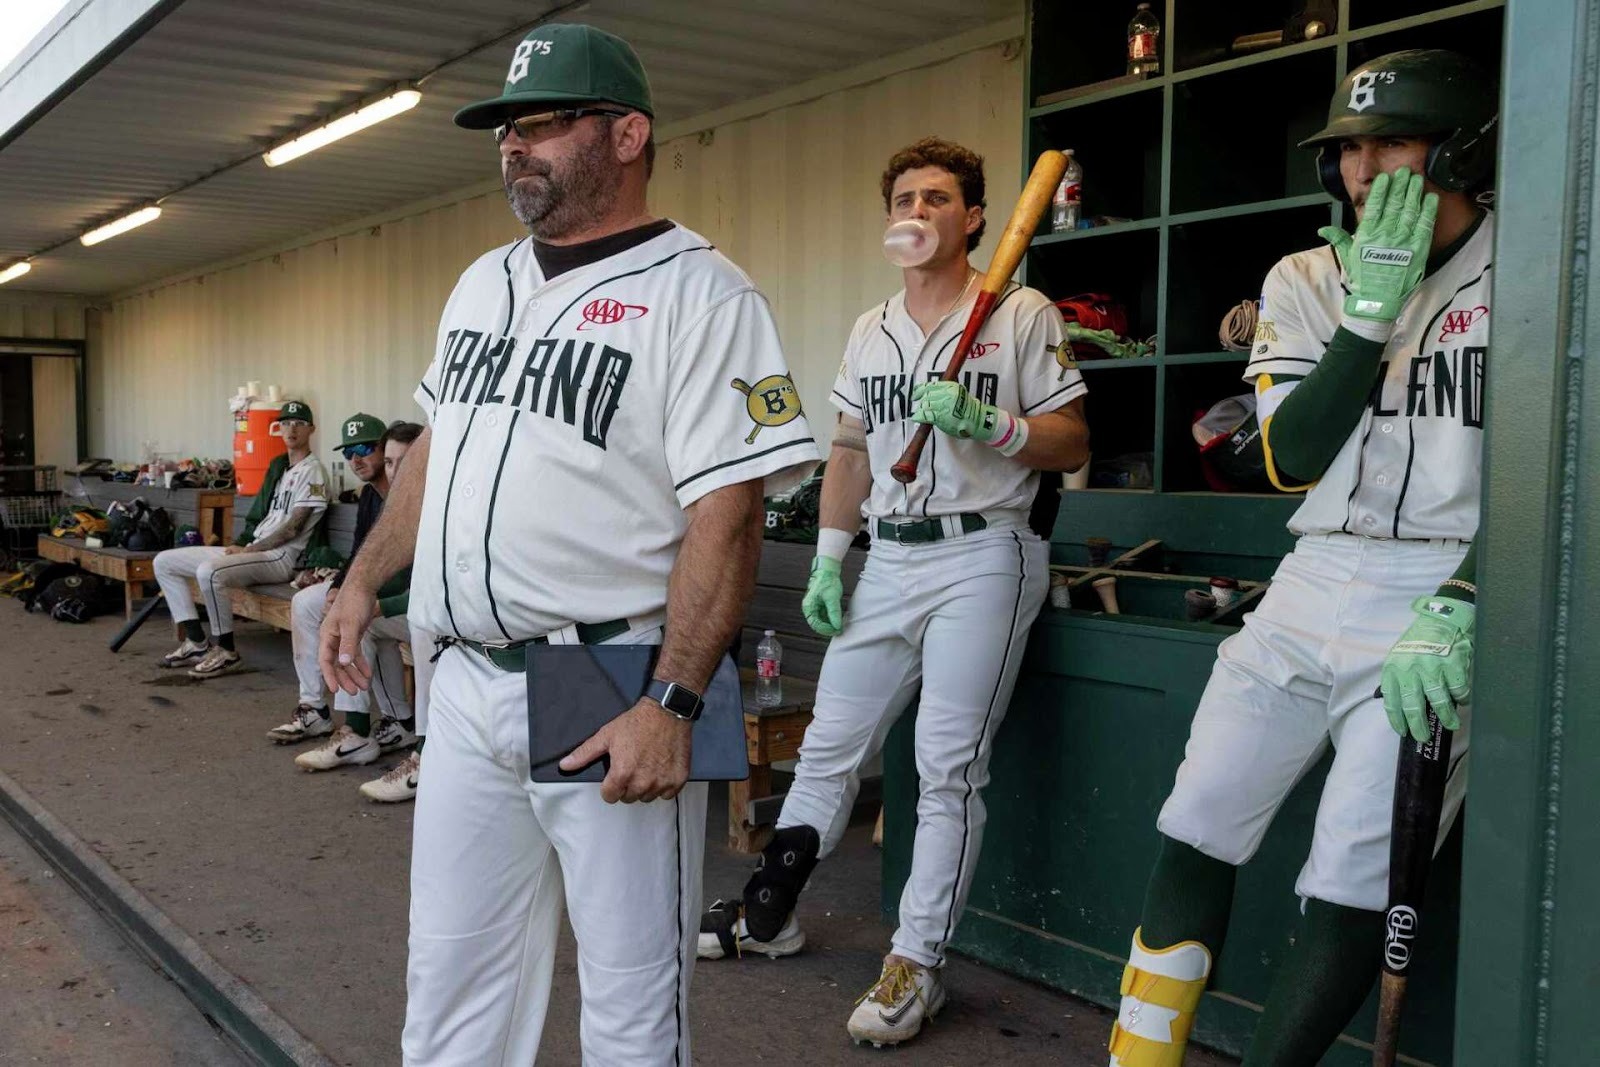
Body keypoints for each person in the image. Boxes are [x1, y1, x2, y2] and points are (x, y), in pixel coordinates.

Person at [318, 24, 819, 1065]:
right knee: (451, 972)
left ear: (627, 132)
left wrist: (674, 700)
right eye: (506, 129)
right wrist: (364, 578)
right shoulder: (482, 280)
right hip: (464, 673)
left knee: (633, 1000)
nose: (515, 147)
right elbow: (432, 454)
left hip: (612, 667)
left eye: (543, 124)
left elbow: (729, 512)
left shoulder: (703, 291)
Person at [1107, 49, 1494, 1067]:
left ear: (1461, 148)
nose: (1364, 168)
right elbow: (1285, 456)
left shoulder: (1532, 268)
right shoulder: (1306, 276)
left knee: (1354, 875)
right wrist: (1364, 318)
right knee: (1196, 819)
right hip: (1312, 571)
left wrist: (1473, 592)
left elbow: (1568, 469)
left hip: (1443, 585)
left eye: (1394, 141)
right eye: (1350, 148)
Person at [698, 136, 1090, 1048]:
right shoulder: (871, 326)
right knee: (830, 742)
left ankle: (919, 960)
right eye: (905, 199)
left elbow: (1072, 440)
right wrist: (833, 554)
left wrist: (994, 422)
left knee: (947, 764)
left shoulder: (1020, 312)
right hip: (891, 554)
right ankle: (771, 910)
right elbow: (846, 448)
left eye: (938, 198)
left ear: (976, 216)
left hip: (985, 550)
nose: (917, 212)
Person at [269, 417, 422, 776]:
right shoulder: (371, 495)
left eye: (365, 449)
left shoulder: (421, 498)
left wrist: (364, 601)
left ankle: (384, 727)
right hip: (386, 594)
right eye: (350, 453)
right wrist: (341, 586)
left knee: (360, 621)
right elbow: (359, 554)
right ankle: (315, 709)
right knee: (307, 602)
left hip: (416, 604)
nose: (356, 459)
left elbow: (418, 582)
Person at [153, 399, 329, 679]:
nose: (291, 429)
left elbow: (293, 528)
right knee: (164, 562)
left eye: (299, 424)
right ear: (278, 429)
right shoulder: (283, 470)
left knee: (209, 572)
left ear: (312, 430)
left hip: (282, 557)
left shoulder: (313, 470)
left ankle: (226, 651)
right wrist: (246, 547)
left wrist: (249, 549)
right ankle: (198, 643)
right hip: (256, 551)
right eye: (285, 423)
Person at [357, 425, 435, 804]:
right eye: (388, 462)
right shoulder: (386, 504)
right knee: (366, 627)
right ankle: (369, 729)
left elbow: (433, 587)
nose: (394, 471)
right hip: (419, 608)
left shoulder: (442, 505)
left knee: (423, 626)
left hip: (456, 620)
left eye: (404, 462)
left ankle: (424, 753)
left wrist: (380, 603)